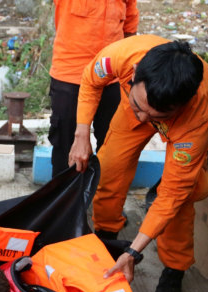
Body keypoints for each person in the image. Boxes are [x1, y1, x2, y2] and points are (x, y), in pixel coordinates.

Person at [68, 35, 208, 292]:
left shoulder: (195, 117)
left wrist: (134, 252)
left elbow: (172, 195)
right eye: (140, 105)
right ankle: (106, 236)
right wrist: (82, 134)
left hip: (186, 124)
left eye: (154, 115)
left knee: (182, 194)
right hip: (142, 103)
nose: (144, 121)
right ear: (135, 75)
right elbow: (90, 81)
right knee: (109, 167)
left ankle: (174, 272)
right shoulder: (123, 56)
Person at [47, 0, 138, 177]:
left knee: (111, 145)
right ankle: (65, 201)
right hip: (71, 76)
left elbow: (130, 24)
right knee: (66, 147)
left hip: (111, 76)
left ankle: (102, 198)